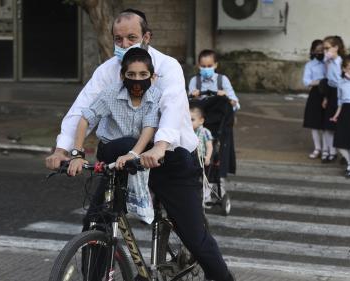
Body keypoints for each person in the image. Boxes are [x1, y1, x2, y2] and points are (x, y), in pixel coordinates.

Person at [45, 9, 234, 281]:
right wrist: (63, 149)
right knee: (96, 220)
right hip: (124, 157)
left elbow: (171, 108)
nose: (123, 45)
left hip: (170, 155)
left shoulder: (167, 67)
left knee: (194, 236)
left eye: (131, 38)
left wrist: (159, 146)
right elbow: (82, 110)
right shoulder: (108, 71)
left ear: (146, 37)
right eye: (118, 39)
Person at [66, 47, 160, 177]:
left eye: (143, 74)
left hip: (140, 149)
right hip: (110, 148)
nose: (137, 79)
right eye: (131, 74)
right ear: (122, 76)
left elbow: (150, 126)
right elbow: (86, 119)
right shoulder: (111, 93)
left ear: (152, 77)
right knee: (128, 144)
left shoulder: (156, 95)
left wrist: (132, 154)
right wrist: (77, 154)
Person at [188, 49, 238, 183]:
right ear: (198, 66)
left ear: (216, 65)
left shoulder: (223, 80)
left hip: (219, 121)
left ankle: (219, 176)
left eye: (209, 66)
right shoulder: (195, 80)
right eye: (203, 66)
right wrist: (193, 95)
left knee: (220, 146)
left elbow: (235, 103)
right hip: (200, 121)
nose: (206, 69)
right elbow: (189, 102)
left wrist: (225, 96)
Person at [321, 35, 346, 163]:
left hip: (341, 92)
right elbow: (327, 79)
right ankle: (332, 152)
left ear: (336, 48)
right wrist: (326, 97)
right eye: (324, 49)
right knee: (328, 124)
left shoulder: (343, 62)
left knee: (341, 124)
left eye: (327, 48)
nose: (325, 51)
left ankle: (345, 154)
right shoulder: (328, 61)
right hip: (331, 92)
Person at [302, 39, 326, 159]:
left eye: (323, 50)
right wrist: (320, 81)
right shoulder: (310, 65)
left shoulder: (330, 62)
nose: (321, 53)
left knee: (327, 124)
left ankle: (328, 150)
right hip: (316, 94)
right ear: (313, 52)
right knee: (314, 123)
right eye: (318, 51)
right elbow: (306, 82)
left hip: (329, 93)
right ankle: (317, 148)